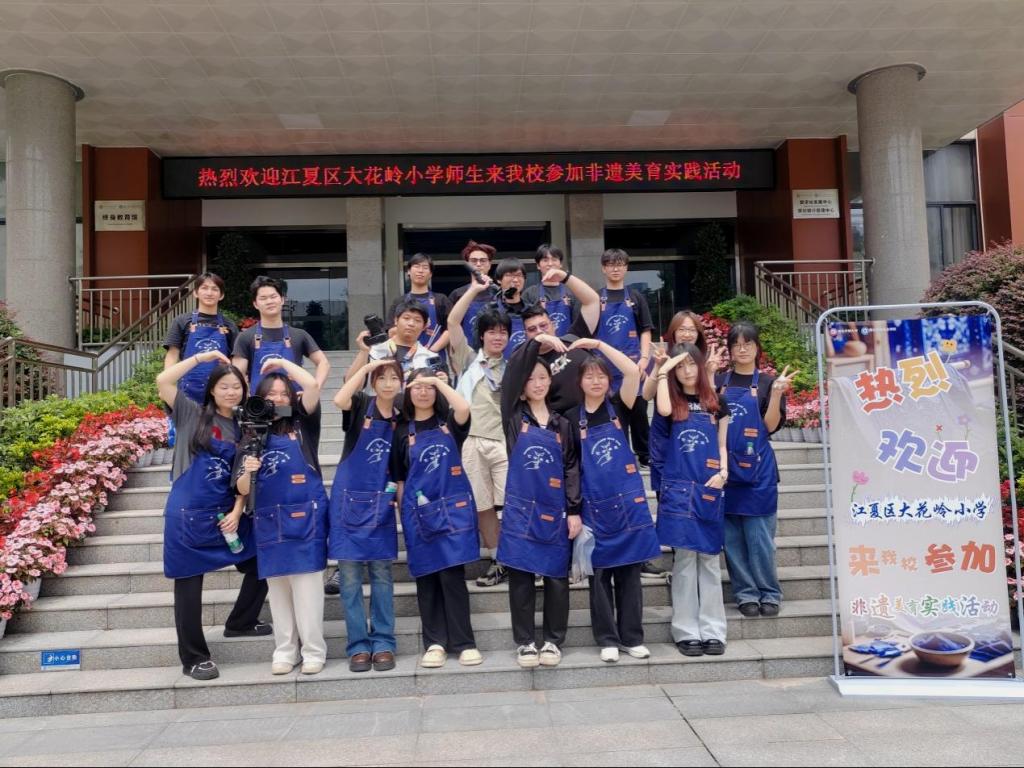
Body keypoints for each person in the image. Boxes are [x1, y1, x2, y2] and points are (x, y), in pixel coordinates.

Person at [156, 351, 270, 681]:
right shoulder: (191, 413)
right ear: (211, 390)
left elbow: (242, 479)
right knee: (189, 587)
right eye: (224, 386)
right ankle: (194, 657)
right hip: (187, 515)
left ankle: (241, 621)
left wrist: (237, 511)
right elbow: (163, 381)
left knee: (263, 560)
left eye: (237, 387)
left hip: (225, 514)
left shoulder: (247, 428)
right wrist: (200, 358)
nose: (231, 392)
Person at [566, 340, 661, 662]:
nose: (596, 381)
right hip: (593, 506)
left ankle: (632, 637)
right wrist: (573, 509)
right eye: (589, 376)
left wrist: (597, 344)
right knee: (599, 577)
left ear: (609, 380)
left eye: (601, 375)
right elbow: (570, 469)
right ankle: (607, 638)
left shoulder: (621, 405)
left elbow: (632, 371)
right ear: (579, 382)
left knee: (630, 575)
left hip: (628, 505)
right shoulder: (569, 419)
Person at [236, 357, 328, 675]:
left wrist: (280, 363)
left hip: (306, 519)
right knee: (278, 592)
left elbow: (313, 385)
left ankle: (313, 650)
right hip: (269, 522)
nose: (277, 399)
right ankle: (285, 650)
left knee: (308, 589)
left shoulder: (303, 424)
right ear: (259, 399)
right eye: (270, 394)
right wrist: (248, 470)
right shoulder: (250, 434)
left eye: (283, 393)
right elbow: (241, 487)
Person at [391, 368, 483, 668]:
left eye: (428, 386)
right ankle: (435, 643)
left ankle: (464, 643)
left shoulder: (450, 423)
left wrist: (437, 382)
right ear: (408, 393)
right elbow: (400, 479)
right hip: (419, 515)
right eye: (416, 386)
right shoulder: (401, 431)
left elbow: (464, 407)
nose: (423, 391)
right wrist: (405, 515)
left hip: (453, 512)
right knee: (427, 578)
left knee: (452, 576)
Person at [499, 357, 582, 668]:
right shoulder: (513, 416)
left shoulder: (563, 424)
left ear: (551, 381)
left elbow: (571, 468)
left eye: (543, 377)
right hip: (520, 508)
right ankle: (524, 642)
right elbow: (511, 376)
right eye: (531, 378)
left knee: (556, 577)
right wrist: (538, 343)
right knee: (520, 575)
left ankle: (552, 641)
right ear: (521, 385)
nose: (538, 383)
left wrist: (573, 509)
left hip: (555, 508)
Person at [326, 358, 403, 673]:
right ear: (373, 382)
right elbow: (338, 399)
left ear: (402, 383)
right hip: (348, 502)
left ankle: (383, 642)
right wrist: (368, 366)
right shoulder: (359, 405)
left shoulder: (403, 416)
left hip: (381, 502)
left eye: (394, 378)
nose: (388, 383)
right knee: (350, 578)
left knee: (382, 575)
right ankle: (358, 645)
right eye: (382, 378)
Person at [655, 343, 731, 657]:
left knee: (710, 560)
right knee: (685, 561)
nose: (686, 371)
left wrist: (724, 472)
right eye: (680, 366)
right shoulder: (671, 402)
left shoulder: (716, 402)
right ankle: (686, 631)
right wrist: (662, 370)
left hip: (709, 486)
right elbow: (662, 410)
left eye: (691, 364)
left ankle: (714, 630)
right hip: (679, 489)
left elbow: (722, 445)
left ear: (700, 366)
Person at [716, 321, 794, 619]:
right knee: (732, 540)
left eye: (748, 343)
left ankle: (769, 592)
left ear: (757, 347)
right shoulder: (718, 381)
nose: (742, 349)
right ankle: (745, 593)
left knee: (760, 539)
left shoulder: (768, 383)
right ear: (730, 350)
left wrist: (775, 395)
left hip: (759, 473)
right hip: (725, 471)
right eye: (736, 344)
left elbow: (769, 427)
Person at [448, 275, 512, 587]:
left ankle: (520, 557)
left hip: (504, 443)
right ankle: (499, 560)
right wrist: (474, 289)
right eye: (492, 331)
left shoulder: (514, 365)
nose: (498, 337)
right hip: (472, 441)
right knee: (483, 505)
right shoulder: (469, 359)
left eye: (503, 332)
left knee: (512, 503)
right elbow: (452, 322)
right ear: (482, 335)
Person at [502, 268, 601, 416]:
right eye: (532, 329)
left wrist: (565, 277)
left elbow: (592, 301)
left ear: (553, 325)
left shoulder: (574, 338)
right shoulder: (524, 359)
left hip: (593, 417)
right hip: (556, 424)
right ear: (525, 334)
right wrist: (539, 339)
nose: (539, 331)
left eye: (543, 326)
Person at [595, 248, 654, 466]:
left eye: (619, 264)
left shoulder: (636, 297)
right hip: (606, 368)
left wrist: (644, 359)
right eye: (611, 264)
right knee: (615, 414)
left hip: (634, 366)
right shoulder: (596, 298)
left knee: (639, 413)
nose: (615, 269)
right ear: (603, 268)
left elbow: (645, 330)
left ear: (626, 268)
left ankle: (644, 454)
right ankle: (620, 455)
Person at [232, 275, 330, 395]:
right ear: (255, 304)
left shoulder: (299, 335)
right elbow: (236, 375)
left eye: (273, 296)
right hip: (260, 404)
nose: (269, 301)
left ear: (282, 300)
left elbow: (323, 363)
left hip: (294, 403)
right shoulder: (245, 337)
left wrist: (313, 391)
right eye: (263, 298)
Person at [163, 272, 240, 404]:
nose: (209, 293)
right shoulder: (182, 321)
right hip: (187, 390)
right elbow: (172, 354)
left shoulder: (229, 325)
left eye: (214, 289)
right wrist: (167, 383)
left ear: (221, 295)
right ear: (195, 293)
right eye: (204, 288)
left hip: (221, 392)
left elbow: (235, 359)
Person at [386, 253, 452, 367]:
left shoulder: (441, 299)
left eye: (425, 267)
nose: (420, 271)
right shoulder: (399, 301)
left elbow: (451, 329)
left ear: (430, 274)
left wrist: (430, 350)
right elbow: (390, 331)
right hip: (403, 360)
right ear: (408, 271)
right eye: (416, 266)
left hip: (434, 359)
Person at [347, 300, 437, 382]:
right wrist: (363, 352)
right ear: (396, 320)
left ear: (424, 326)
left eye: (417, 320)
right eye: (406, 318)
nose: (411, 323)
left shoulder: (431, 358)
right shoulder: (373, 351)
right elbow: (350, 385)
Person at [521, 245, 576, 338]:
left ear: (560, 264)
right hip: (540, 343)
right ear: (538, 265)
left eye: (554, 259)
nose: (550, 264)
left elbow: (578, 325)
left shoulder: (572, 291)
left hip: (567, 344)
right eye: (545, 260)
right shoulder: (529, 293)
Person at [449, 240, 498, 344]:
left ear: (490, 264)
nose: (478, 264)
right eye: (474, 261)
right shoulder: (457, 294)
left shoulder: (498, 292)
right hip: (465, 350)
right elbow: (450, 326)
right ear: (468, 264)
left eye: (483, 260)